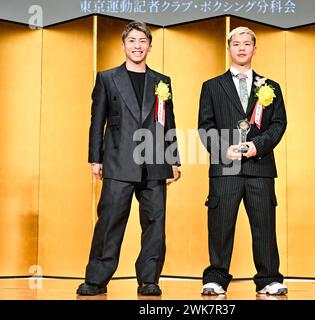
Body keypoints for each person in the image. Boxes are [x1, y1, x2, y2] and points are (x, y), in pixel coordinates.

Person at [77, 21, 180, 296]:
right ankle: (96, 279)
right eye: (132, 41)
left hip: (155, 162)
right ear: (124, 45)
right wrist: (95, 159)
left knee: (155, 223)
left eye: (142, 41)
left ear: (149, 45)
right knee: (110, 222)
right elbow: (96, 121)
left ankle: (149, 279)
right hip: (117, 161)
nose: (137, 46)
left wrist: (173, 158)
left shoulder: (162, 82)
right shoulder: (107, 78)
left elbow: (168, 122)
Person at [198, 26, 287, 296]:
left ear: (254, 49)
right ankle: (215, 278)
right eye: (236, 44)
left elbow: (278, 124)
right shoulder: (212, 86)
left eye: (246, 44)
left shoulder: (270, 87)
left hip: (260, 167)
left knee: (264, 225)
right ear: (229, 48)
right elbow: (205, 125)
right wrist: (223, 149)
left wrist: (256, 146)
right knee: (220, 225)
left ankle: (269, 278)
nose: (241, 48)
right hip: (225, 169)